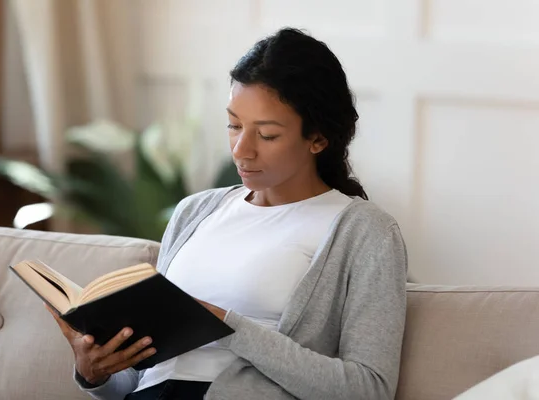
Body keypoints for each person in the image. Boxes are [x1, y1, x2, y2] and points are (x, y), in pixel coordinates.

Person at [47, 27, 408, 400]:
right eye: (234, 125)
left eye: (266, 135)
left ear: (318, 138)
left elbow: (369, 390)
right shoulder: (195, 213)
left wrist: (228, 326)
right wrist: (96, 373)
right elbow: (145, 379)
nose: (241, 150)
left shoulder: (366, 231)